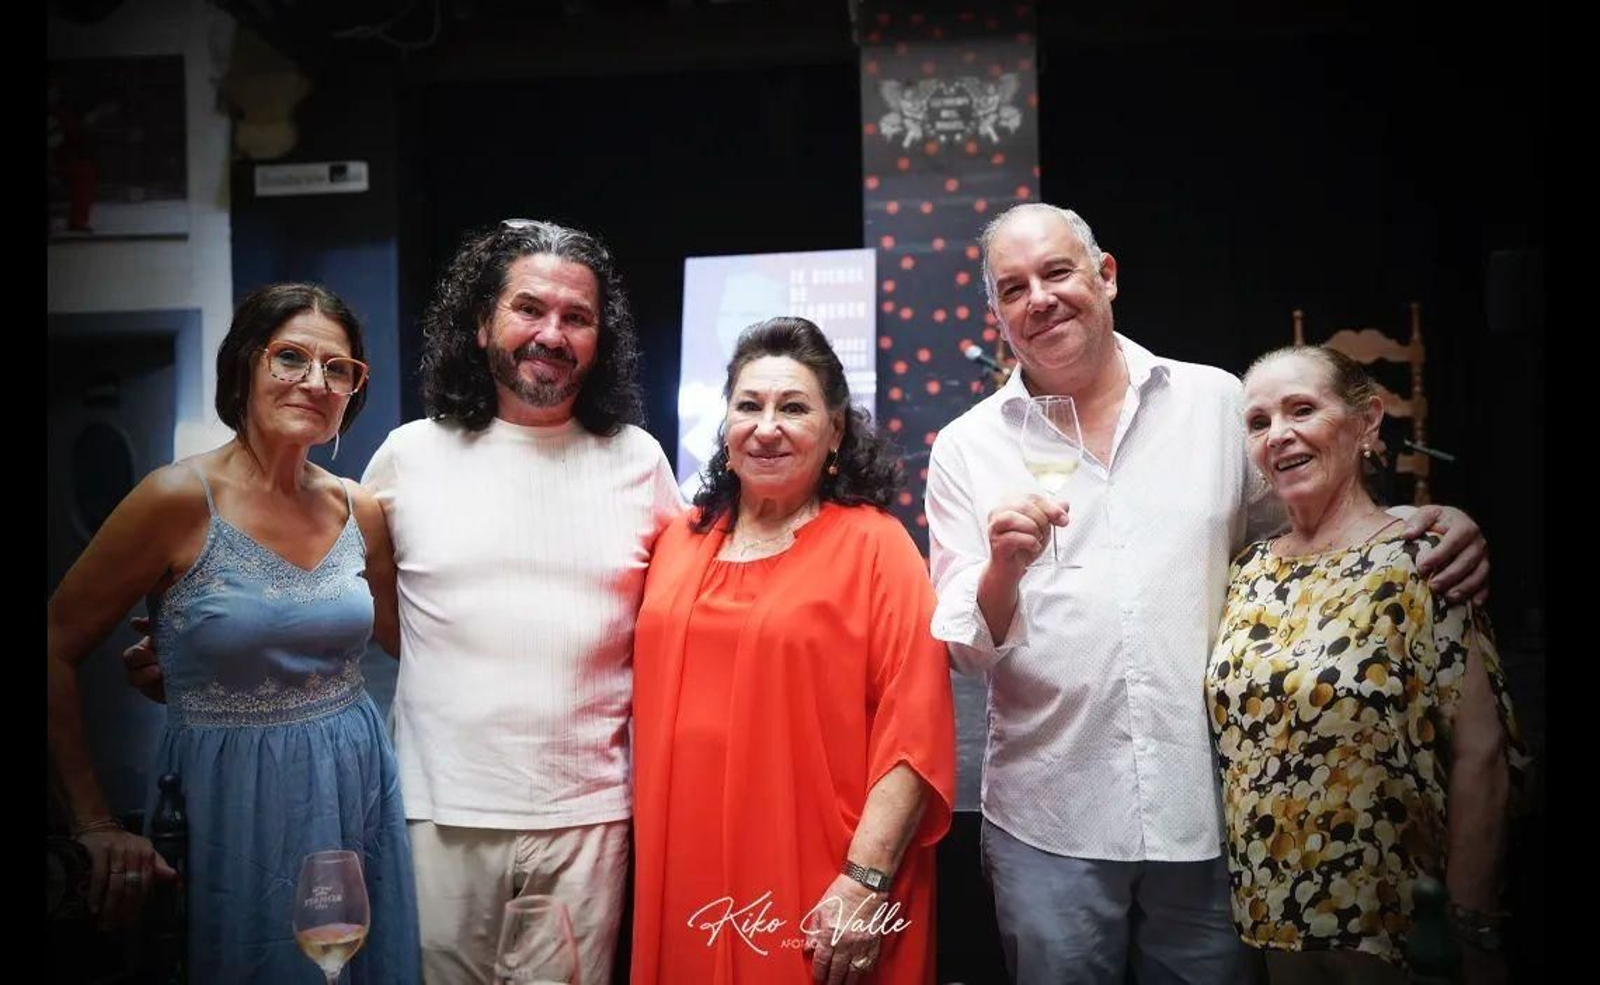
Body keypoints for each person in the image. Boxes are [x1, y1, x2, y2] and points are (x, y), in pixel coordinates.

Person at [923, 202, 1491, 985]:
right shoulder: (966, 447)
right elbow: (965, 650)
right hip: (1051, 816)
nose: (1039, 299)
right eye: (1013, 288)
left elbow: (1312, 529)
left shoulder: (1215, 403)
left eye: (1057, 272)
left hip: (1212, 809)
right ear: (997, 312)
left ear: (1106, 275)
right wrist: (1001, 571)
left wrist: (1421, 524)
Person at [47, 282, 421, 983]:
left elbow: (414, 644)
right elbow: (56, 643)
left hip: (355, 788)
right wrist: (92, 823)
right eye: (291, 357)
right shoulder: (175, 499)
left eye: (338, 368)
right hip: (231, 798)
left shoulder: (359, 509)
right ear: (245, 363)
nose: (315, 381)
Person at [363, 219, 681, 985]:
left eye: (577, 317)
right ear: (481, 324)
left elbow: (690, 615)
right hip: (439, 813)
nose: (552, 333)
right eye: (529, 308)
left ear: (600, 340)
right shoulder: (409, 456)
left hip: (588, 821)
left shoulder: (638, 461)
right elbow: (367, 612)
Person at [630, 317, 956, 984]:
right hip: (684, 863)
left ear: (835, 430)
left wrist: (865, 879)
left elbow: (914, 731)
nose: (767, 427)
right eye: (749, 405)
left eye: (794, 408)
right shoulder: (678, 540)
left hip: (820, 869)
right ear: (725, 423)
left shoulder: (877, 547)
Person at [1206, 345, 1527, 985]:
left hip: (1397, 922)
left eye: (1302, 410)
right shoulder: (1246, 572)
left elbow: (1482, 754)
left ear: (1368, 420)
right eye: (1260, 421)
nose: (1279, 434)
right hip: (1273, 915)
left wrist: (1468, 924)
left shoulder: (1421, 560)